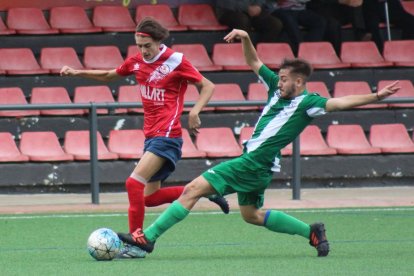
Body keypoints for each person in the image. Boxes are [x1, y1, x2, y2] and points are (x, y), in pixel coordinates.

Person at [117, 29, 400, 258]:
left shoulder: (309, 103)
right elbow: (254, 62)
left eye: (285, 79)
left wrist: (375, 96)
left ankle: (147, 239)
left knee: (193, 190)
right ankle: (311, 231)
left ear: (299, 82)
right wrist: (247, 38)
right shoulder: (277, 87)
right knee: (251, 215)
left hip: (253, 162)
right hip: (260, 166)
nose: (279, 82)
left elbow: (339, 102)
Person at [60, 17, 229, 258]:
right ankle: (205, 191)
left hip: (168, 134)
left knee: (133, 183)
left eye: (146, 45)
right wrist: (77, 72)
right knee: (148, 198)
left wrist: (194, 111)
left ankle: (136, 243)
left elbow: (208, 86)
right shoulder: (137, 61)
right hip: (151, 135)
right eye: (138, 45)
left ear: (159, 41)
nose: (142, 50)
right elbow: (110, 75)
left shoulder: (176, 61)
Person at [215, 0, 283, 43]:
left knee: (275, 24)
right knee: (243, 21)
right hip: (228, 12)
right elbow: (224, 3)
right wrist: (246, 8)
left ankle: (260, 55)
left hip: (252, 11)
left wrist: (258, 6)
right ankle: (241, 54)